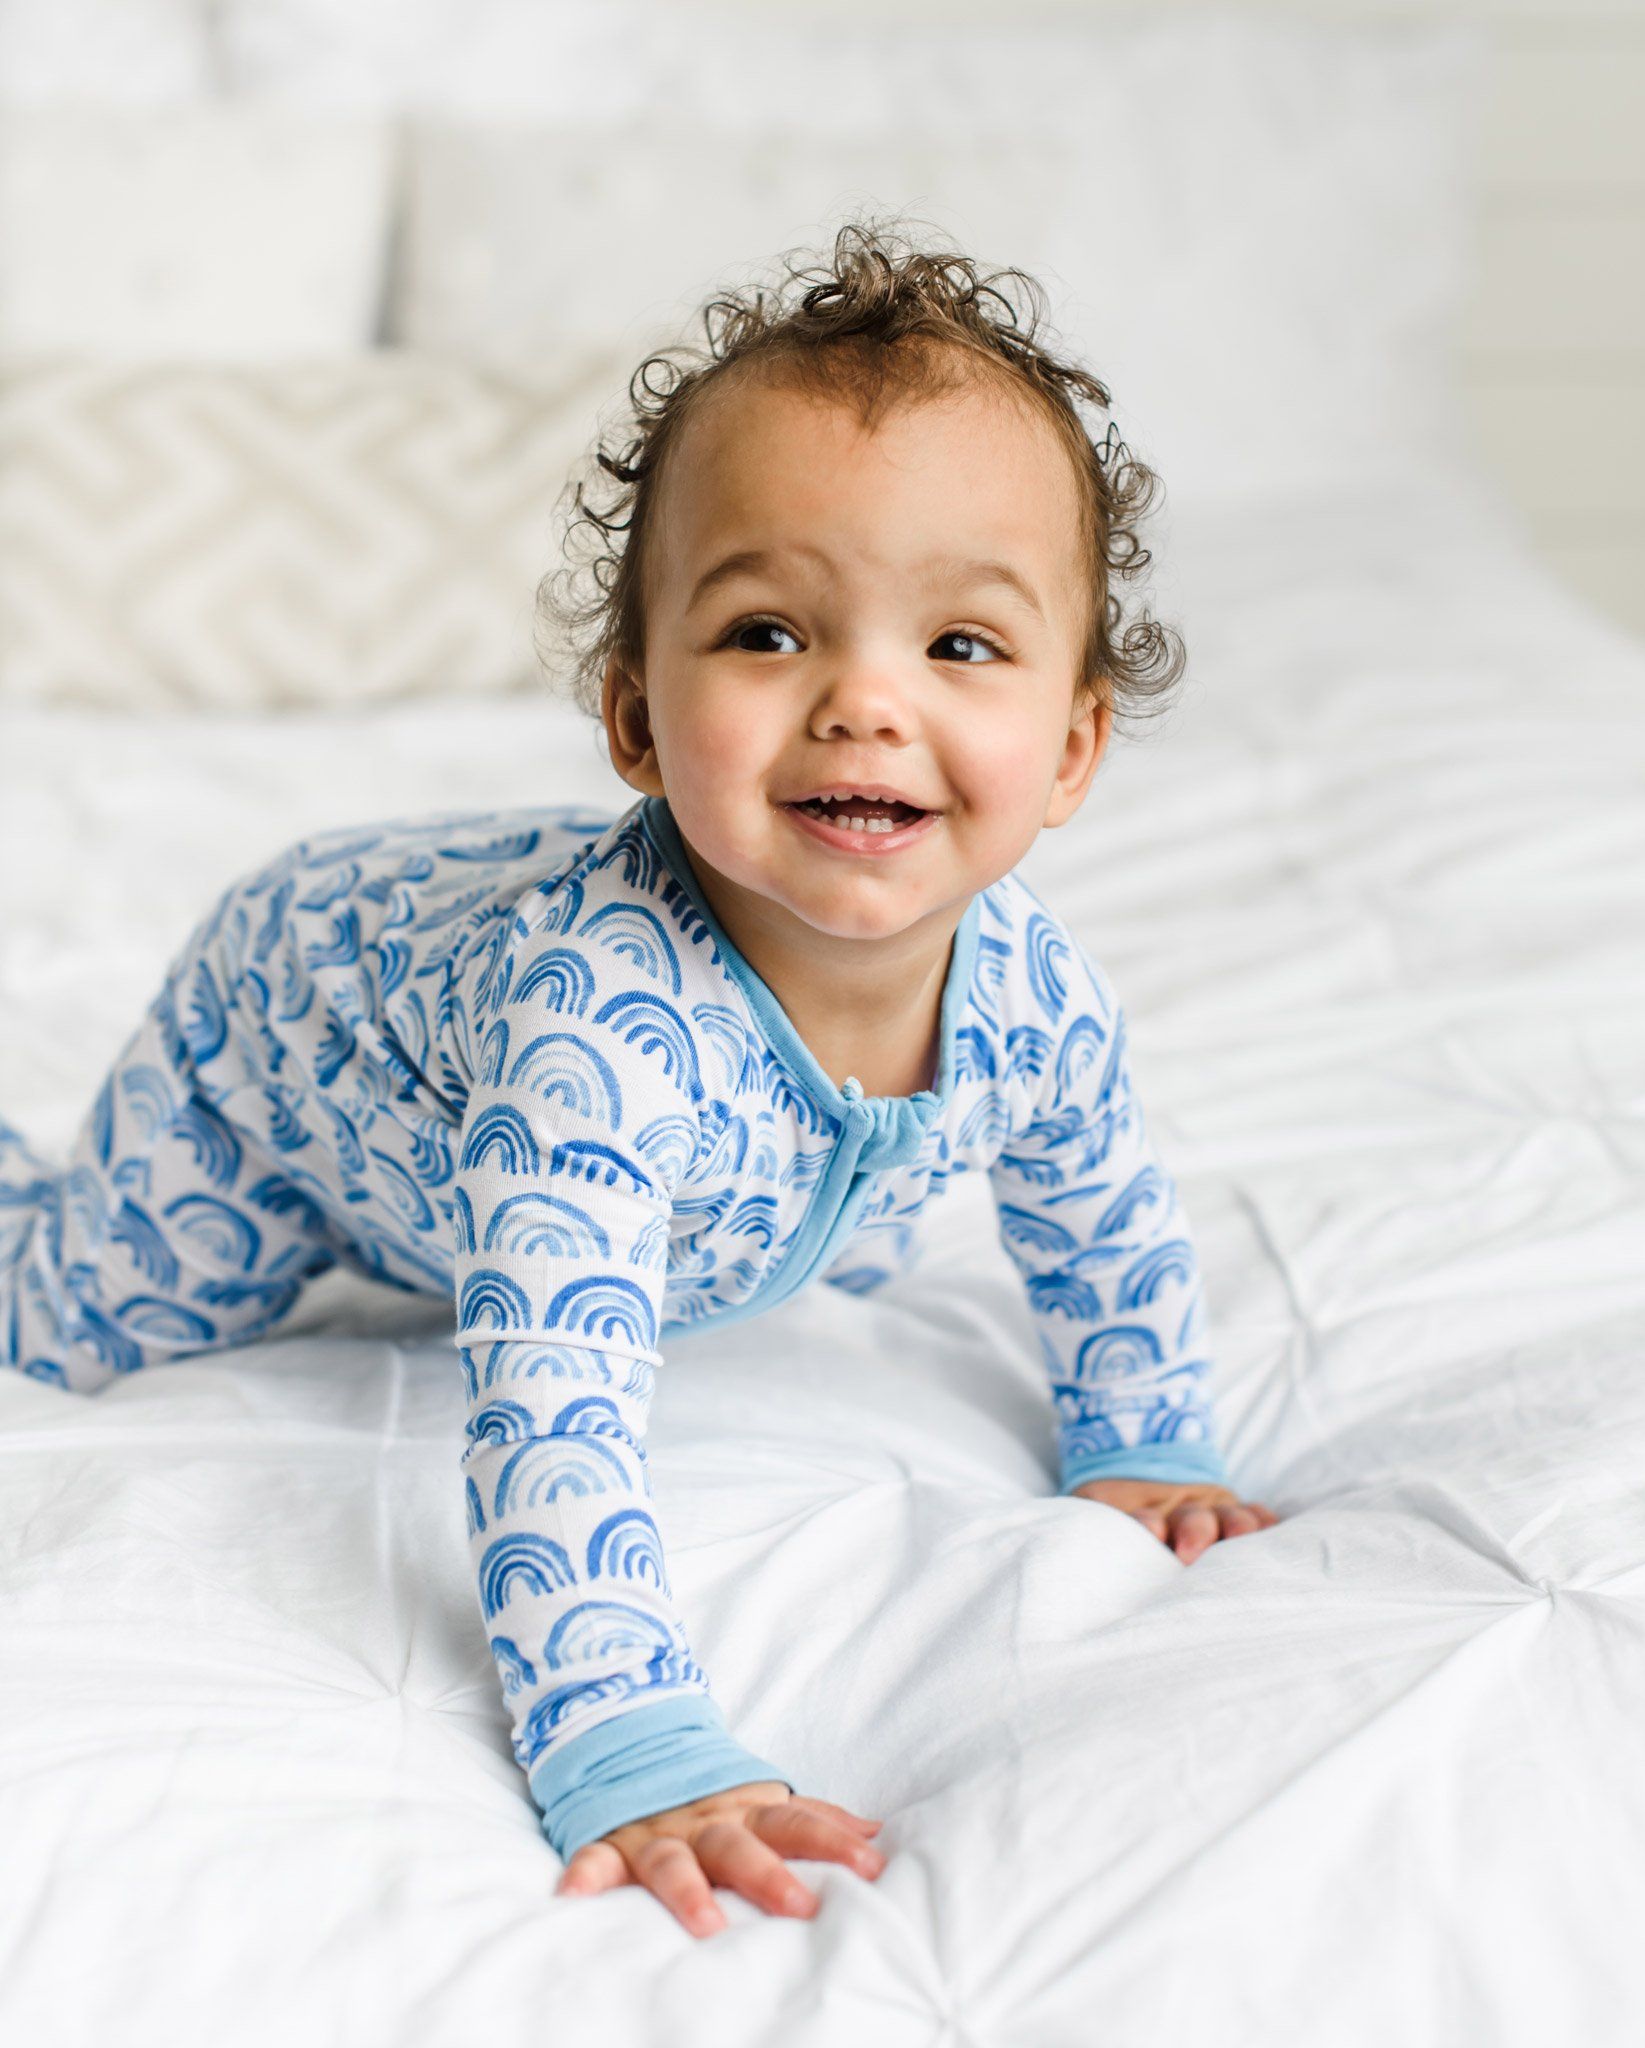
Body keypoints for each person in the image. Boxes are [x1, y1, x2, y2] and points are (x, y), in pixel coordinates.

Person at [0, 216, 1279, 1941]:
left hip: (581, 1069)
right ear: (633, 718)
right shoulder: (593, 1042)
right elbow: (548, 1412)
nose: (864, 704)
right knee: (65, 1321)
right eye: (766, 633)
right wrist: (626, 1730)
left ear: (1070, 749)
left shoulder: (1036, 990)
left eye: (961, 647)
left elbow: (1094, 1199)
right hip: (290, 1048)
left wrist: (1138, 1434)